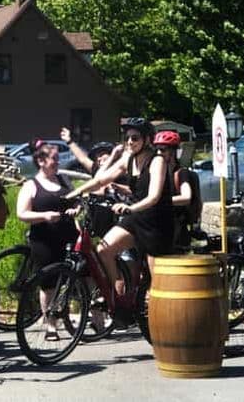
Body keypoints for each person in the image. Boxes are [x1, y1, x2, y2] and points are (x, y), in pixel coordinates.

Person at [66, 117, 173, 289]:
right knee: (103, 250)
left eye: (135, 138)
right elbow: (101, 179)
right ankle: (120, 294)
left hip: (156, 222)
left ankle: (154, 309)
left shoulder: (156, 160)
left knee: (157, 282)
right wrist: (74, 193)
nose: (130, 142)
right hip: (136, 216)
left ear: (147, 140)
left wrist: (130, 208)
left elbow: (154, 197)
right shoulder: (128, 159)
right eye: (127, 138)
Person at [16, 139, 79, 340]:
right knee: (49, 284)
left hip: (68, 236)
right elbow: (22, 213)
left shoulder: (64, 181)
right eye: (54, 159)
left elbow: (77, 202)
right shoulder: (31, 185)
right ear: (41, 161)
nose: (57, 163)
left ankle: (86, 317)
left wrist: (75, 209)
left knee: (75, 279)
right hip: (44, 239)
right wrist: (44, 216)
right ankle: (50, 324)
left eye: (58, 159)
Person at [152, 130, 201, 250]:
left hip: (178, 228)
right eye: (156, 150)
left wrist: (160, 201)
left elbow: (186, 197)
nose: (159, 153)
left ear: (173, 151)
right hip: (161, 224)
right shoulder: (158, 174)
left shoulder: (181, 173)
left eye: (163, 150)